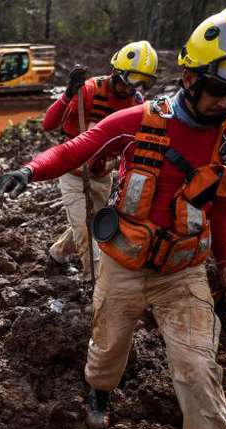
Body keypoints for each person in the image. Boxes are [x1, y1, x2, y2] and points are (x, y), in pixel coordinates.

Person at [0, 6, 226, 429]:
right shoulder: (140, 120)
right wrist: (28, 170)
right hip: (123, 263)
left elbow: (223, 208)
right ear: (190, 77)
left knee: (197, 370)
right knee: (107, 351)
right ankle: (99, 393)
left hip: (184, 270)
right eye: (218, 90)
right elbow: (77, 146)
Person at [43, 41, 158, 280]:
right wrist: (66, 95)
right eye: (132, 80)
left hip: (103, 175)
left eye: (143, 82)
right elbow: (48, 124)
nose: (134, 89)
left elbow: (134, 146)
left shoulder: (135, 105)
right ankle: (92, 280)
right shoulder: (89, 91)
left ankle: (57, 254)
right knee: (86, 230)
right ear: (117, 72)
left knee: (90, 223)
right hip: (73, 173)